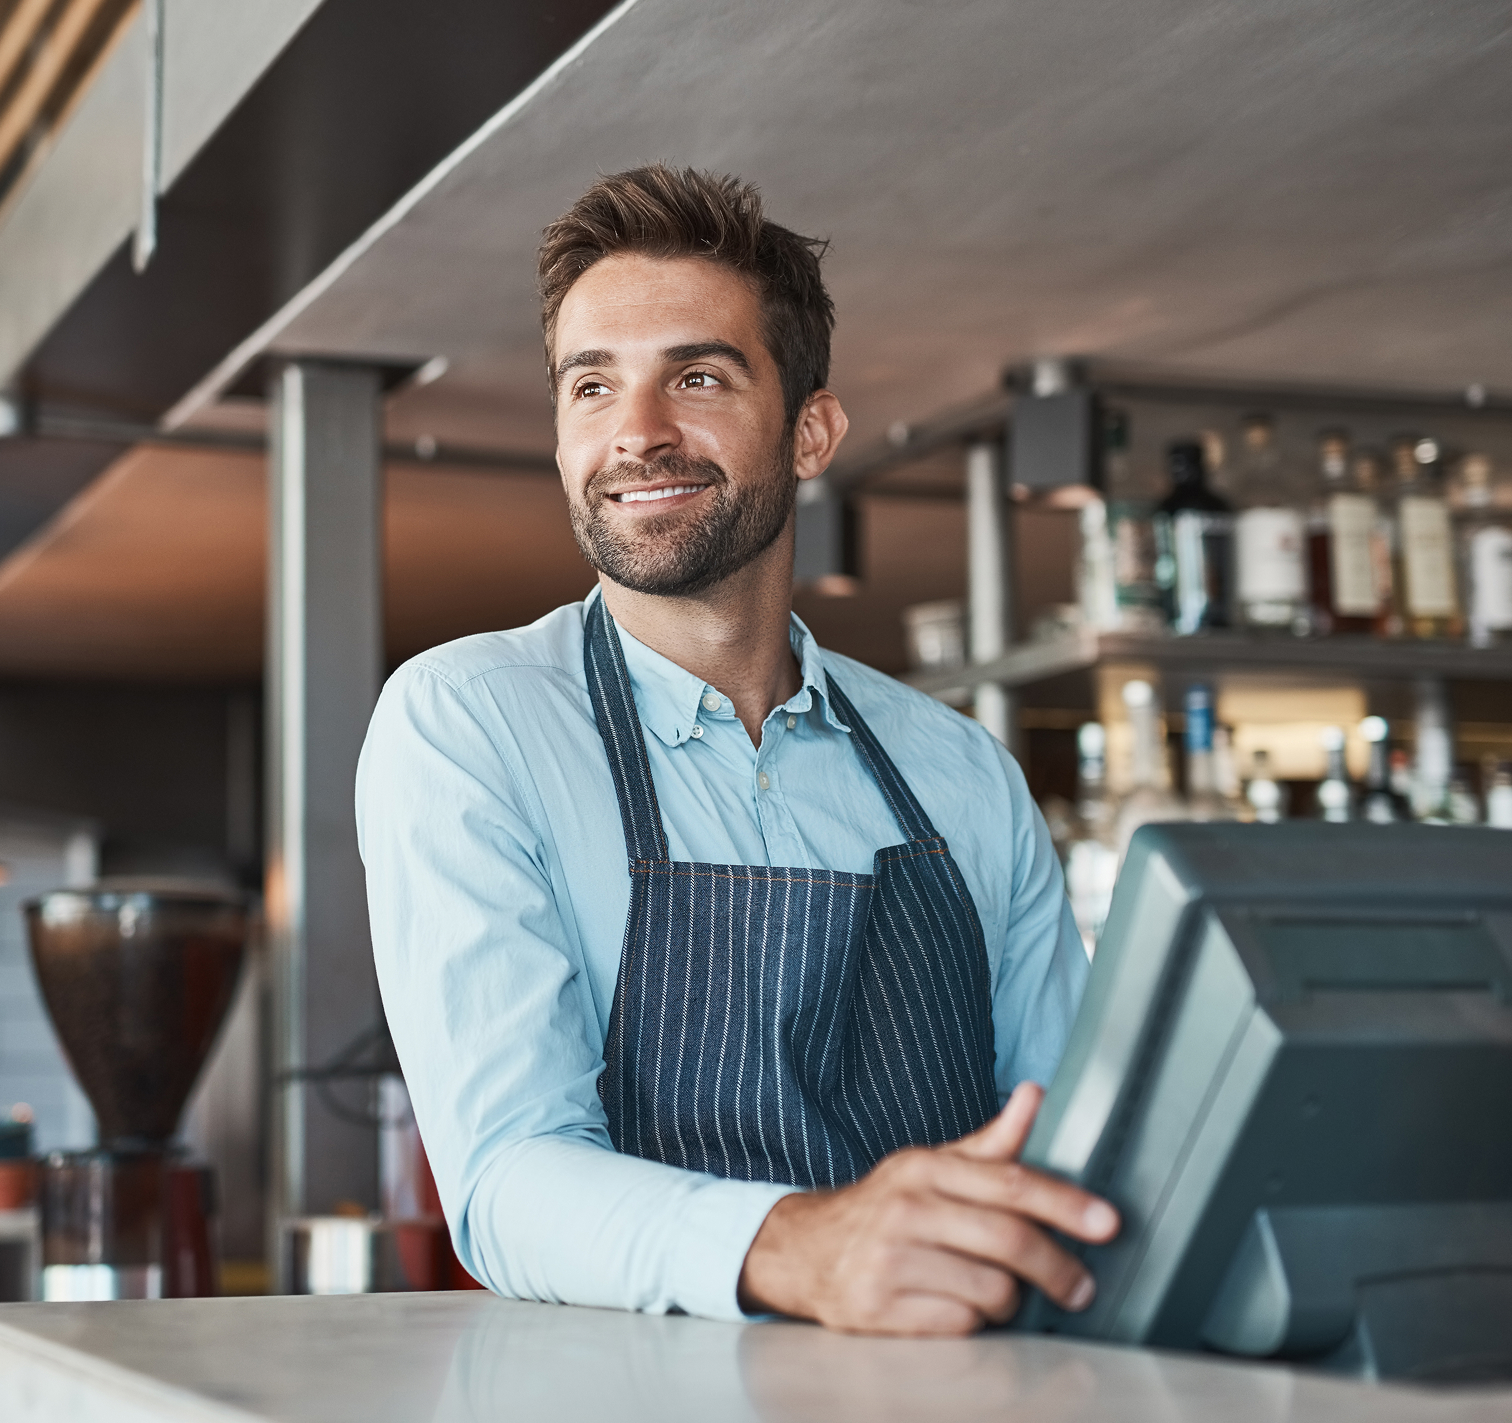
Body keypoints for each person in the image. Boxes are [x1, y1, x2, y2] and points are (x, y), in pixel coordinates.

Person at [355, 165, 1112, 1334]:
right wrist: (805, 1245)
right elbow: (506, 1182)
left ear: (811, 429)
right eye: (591, 386)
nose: (637, 433)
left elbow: (1069, 1145)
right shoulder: (469, 723)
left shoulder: (960, 774)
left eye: (697, 376)